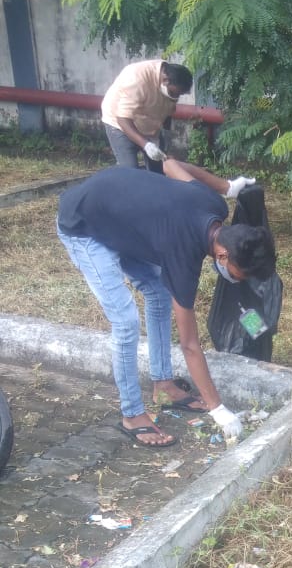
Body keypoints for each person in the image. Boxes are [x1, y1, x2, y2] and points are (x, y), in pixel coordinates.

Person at [56, 165, 275, 447]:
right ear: (222, 255)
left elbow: (171, 164)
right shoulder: (182, 255)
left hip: (118, 215)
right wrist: (217, 408)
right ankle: (132, 414)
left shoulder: (214, 205)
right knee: (125, 321)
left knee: (158, 292)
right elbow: (190, 345)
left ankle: (164, 385)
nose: (235, 279)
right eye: (238, 273)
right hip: (84, 224)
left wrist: (226, 187)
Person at [101, 60, 194, 172]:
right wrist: (146, 145)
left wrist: (164, 138)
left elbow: (168, 110)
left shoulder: (172, 81)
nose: (176, 97)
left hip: (147, 121)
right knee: (130, 172)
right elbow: (122, 119)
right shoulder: (136, 79)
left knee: (157, 172)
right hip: (119, 122)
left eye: (179, 94)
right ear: (165, 80)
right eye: (175, 94)